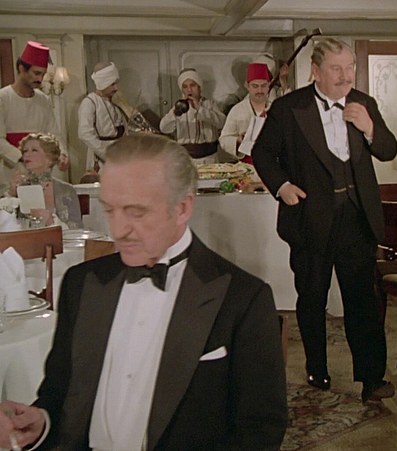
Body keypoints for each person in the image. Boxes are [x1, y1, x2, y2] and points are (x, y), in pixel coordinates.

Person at [0, 134, 287, 450]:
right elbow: (58, 393)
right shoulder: (81, 283)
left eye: (136, 211)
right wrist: (41, 423)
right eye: (110, 210)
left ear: (182, 208)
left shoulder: (243, 299)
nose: (118, 230)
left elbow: (259, 431)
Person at [252, 38, 397, 403]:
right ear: (316, 71)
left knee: (362, 300)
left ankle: (372, 379)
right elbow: (262, 154)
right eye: (336, 69)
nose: (346, 76)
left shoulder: (364, 103)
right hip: (309, 219)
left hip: (356, 217)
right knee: (312, 298)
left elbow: (389, 149)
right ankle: (317, 368)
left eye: (350, 68)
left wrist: (370, 128)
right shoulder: (289, 108)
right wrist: (282, 186)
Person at [0, 41, 67, 189]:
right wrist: (24, 157)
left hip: (41, 172)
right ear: (22, 69)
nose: (40, 79)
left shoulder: (43, 99)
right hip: (11, 169)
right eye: (36, 73)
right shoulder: (3, 98)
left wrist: (62, 153)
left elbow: (53, 133)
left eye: (43, 74)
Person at [9, 133, 82, 228]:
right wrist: (11, 194)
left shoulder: (66, 190)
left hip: (61, 237)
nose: (27, 154)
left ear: (49, 158)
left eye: (34, 150)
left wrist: (51, 222)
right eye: (25, 151)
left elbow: (77, 228)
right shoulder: (19, 188)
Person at [160, 68, 226, 165]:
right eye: (185, 87)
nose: (189, 90)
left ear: (199, 87)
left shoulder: (210, 105)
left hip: (210, 158)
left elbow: (222, 123)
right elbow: (164, 128)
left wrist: (200, 109)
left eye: (193, 85)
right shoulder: (178, 107)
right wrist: (175, 114)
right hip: (187, 160)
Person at [77, 62, 127, 169]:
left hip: (121, 155)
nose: (116, 88)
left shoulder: (116, 100)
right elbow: (84, 134)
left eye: (116, 83)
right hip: (101, 159)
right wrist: (106, 154)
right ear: (103, 83)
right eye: (112, 84)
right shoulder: (90, 102)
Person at [219, 62, 272, 163]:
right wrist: (238, 140)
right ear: (247, 86)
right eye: (255, 86)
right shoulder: (237, 110)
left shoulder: (275, 109)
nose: (260, 90)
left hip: (272, 163)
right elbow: (224, 139)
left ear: (268, 85)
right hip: (247, 165)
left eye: (263, 86)